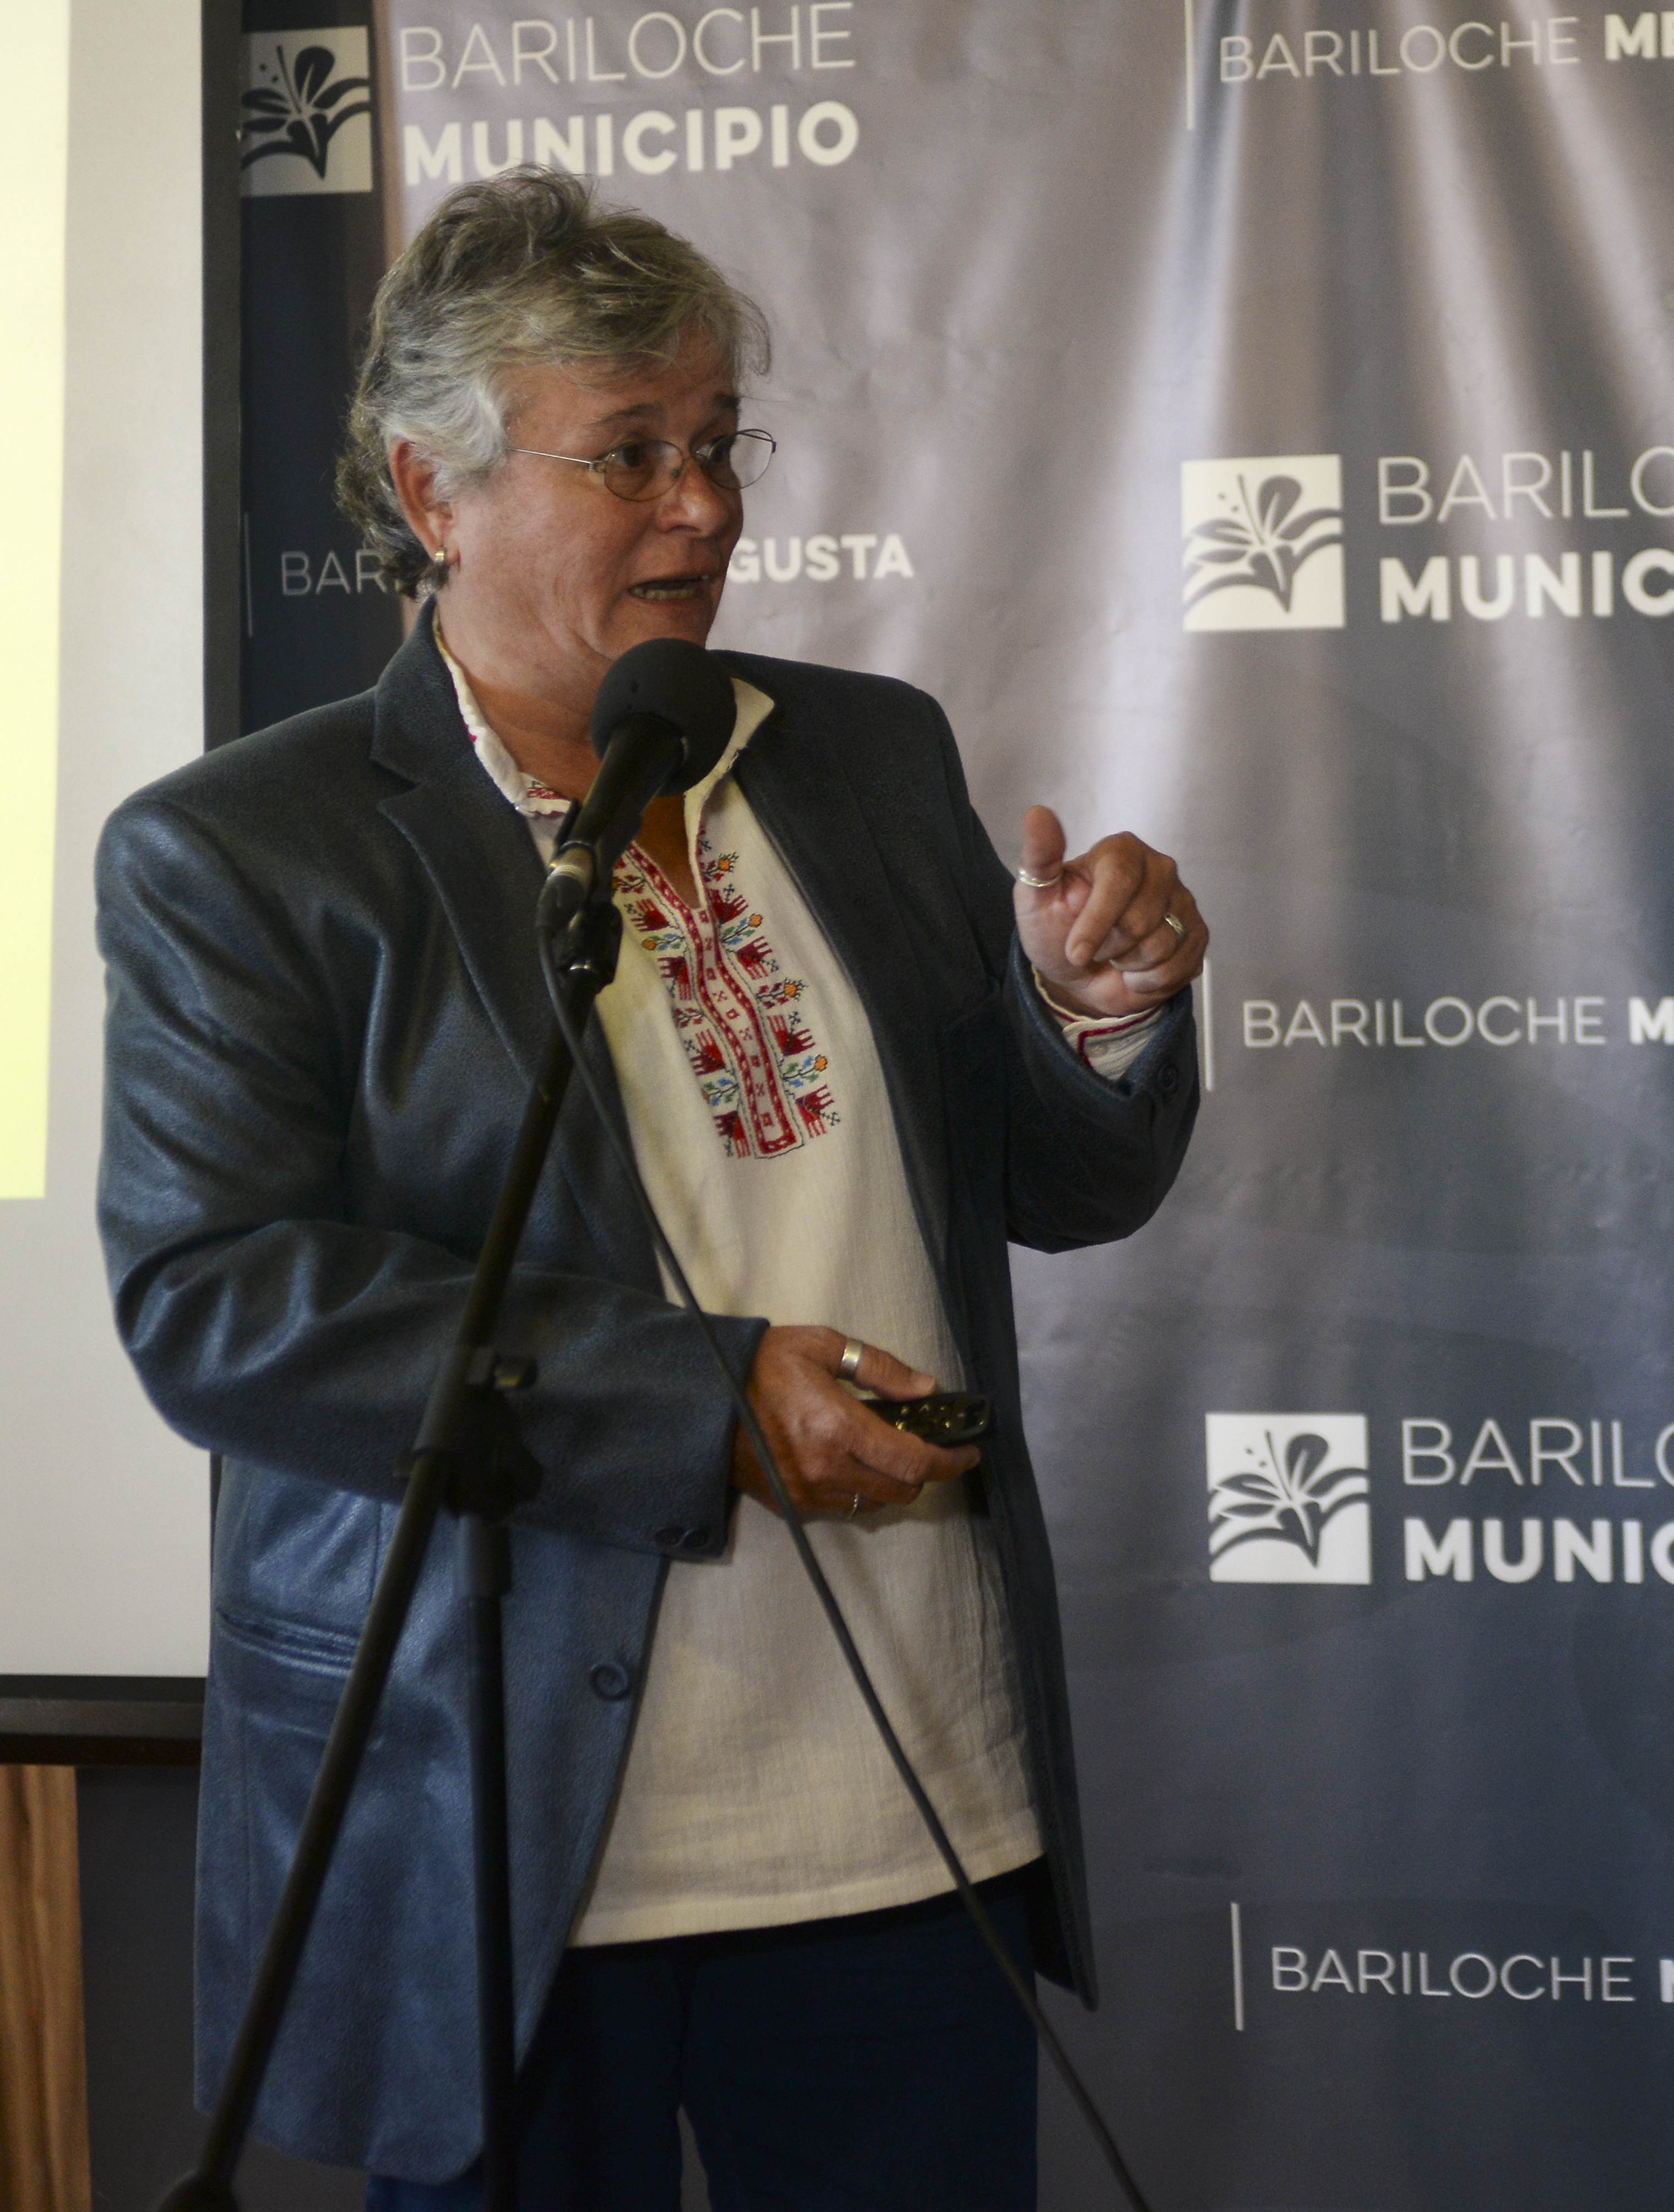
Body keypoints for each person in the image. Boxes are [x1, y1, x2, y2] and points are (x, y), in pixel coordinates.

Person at [96, 168, 1203, 2206]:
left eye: (716, 447)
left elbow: (1049, 1187)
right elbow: (220, 1301)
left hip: (904, 1818)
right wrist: (707, 1399)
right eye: (629, 456)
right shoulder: (247, 853)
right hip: (502, 1837)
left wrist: (1089, 1016)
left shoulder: (863, 756)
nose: (701, 505)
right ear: (434, 497)